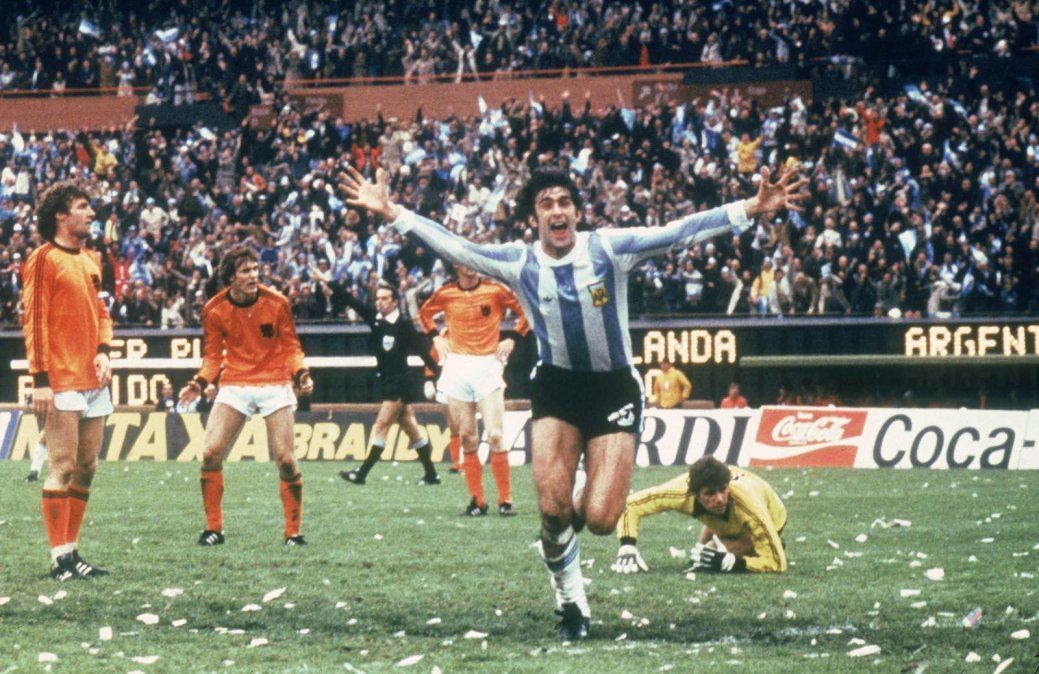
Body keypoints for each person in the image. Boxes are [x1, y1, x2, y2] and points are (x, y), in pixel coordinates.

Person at [339, 163, 805, 641]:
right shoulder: (519, 262)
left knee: (602, 519)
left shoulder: (608, 249)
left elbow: (679, 232)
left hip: (613, 390)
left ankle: (568, 518)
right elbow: (456, 246)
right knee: (550, 509)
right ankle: (571, 604)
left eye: (564, 201)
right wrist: (393, 212)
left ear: (577, 212)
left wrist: (750, 208)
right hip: (557, 387)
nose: (557, 210)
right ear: (534, 219)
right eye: (546, 204)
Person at [178, 245, 313, 547]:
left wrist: (301, 373)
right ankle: (214, 529)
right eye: (246, 271)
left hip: (274, 382)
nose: (254, 276)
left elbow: (291, 347)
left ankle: (293, 532)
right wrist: (199, 384)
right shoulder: (214, 310)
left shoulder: (277, 303)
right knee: (211, 453)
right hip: (236, 383)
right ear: (230, 278)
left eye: (255, 269)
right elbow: (213, 357)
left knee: (287, 460)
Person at [22, 180, 115, 580]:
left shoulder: (90, 260)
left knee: (87, 466)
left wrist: (104, 350)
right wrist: (40, 378)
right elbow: (34, 321)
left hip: (92, 379)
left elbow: (102, 314)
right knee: (60, 464)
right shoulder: (44, 259)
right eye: (82, 206)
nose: (91, 213)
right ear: (61, 214)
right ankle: (59, 557)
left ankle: (72, 551)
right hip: (59, 378)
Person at [418, 264, 530, 517]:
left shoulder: (495, 290)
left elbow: (527, 312)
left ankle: (505, 499)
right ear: (456, 266)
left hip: (487, 366)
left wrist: (513, 338)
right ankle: (478, 501)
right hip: (457, 367)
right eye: (464, 262)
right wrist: (435, 336)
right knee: (467, 437)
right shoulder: (446, 293)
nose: (470, 267)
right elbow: (424, 314)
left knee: (495, 435)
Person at [339, 282, 443, 485]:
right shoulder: (376, 319)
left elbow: (422, 350)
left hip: (399, 384)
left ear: (395, 302)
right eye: (378, 298)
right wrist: (330, 284)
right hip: (388, 382)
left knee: (381, 425)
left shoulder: (403, 324)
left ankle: (361, 473)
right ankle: (431, 475)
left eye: (385, 298)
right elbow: (353, 302)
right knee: (411, 429)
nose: (380, 302)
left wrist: (438, 373)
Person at [612, 456, 787, 574]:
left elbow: (777, 563)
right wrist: (627, 545)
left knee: (714, 556)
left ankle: (770, 541)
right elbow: (631, 505)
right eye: (710, 493)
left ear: (728, 485)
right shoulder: (680, 492)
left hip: (771, 515)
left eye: (722, 490)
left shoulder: (749, 505)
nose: (719, 499)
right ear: (694, 493)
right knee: (704, 557)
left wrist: (736, 564)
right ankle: (736, 543)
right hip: (723, 518)